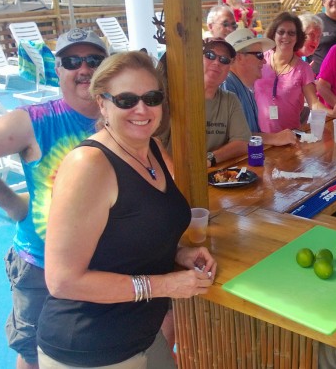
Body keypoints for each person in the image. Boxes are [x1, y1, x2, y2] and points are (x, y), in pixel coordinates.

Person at [35, 51, 217, 367]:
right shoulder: (89, 165)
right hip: (89, 348)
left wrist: (175, 253)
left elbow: (130, 231)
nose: (142, 109)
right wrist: (165, 284)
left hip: (142, 336)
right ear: (102, 103)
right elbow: (63, 280)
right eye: (126, 100)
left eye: (151, 97)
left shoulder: (154, 150)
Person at [0, 29, 107, 369]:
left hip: (104, 264)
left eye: (94, 60)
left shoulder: (123, 118)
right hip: (41, 267)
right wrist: (12, 204)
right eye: (72, 61)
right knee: (34, 353)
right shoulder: (35, 121)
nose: (83, 69)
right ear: (58, 69)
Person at [255, 12, 336, 132]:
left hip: (289, 137)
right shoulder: (260, 60)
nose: (286, 36)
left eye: (291, 33)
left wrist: (333, 113)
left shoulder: (304, 69)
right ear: (273, 34)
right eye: (281, 32)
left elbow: (314, 103)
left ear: (297, 37)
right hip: (260, 137)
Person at [222, 28, 297, 146]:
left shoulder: (245, 87)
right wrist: (274, 138)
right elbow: (231, 137)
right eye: (259, 55)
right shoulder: (227, 84)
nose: (264, 61)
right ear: (239, 57)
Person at [202, 37, 252, 167]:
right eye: (210, 55)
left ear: (229, 68)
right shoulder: (176, 98)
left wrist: (209, 159)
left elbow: (243, 142)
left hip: (215, 177)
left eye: (224, 60)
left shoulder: (230, 100)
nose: (217, 62)